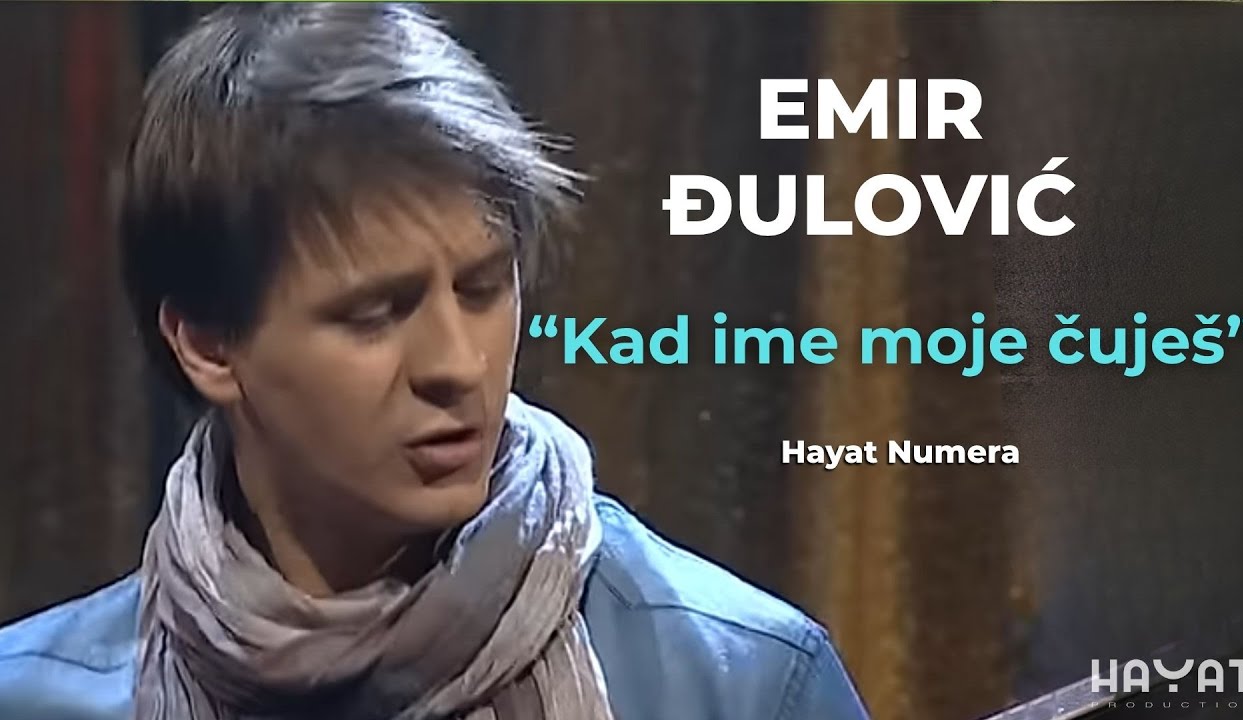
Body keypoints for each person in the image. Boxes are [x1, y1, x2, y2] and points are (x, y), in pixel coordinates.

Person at [0, 4, 870, 719]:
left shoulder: (741, 685)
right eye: (375, 315)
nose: (457, 364)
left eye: (485, 288)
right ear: (207, 344)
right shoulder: (32, 696)